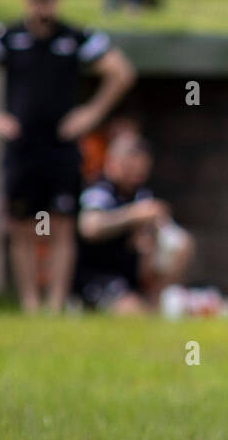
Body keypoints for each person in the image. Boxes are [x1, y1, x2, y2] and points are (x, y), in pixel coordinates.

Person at [0, 0, 137, 313]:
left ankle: (55, 303)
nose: (42, 5)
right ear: (26, 0)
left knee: (61, 224)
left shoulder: (76, 37)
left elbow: (121, 72)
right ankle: (30, 304)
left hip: (61, 146)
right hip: (22, 147)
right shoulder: (7, 36)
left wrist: (91, 113)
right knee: (22, 226)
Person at [73, 133, 193, 315]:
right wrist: (133, 215)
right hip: (97, 276)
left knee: (183, 244)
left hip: (133, 275)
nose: (136, 174)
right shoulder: (100, 190)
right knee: (133, 312)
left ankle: (155, 300)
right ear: (114, 162)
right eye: (130, 166)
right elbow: (90, 227)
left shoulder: (141, 194)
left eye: (141, 168)